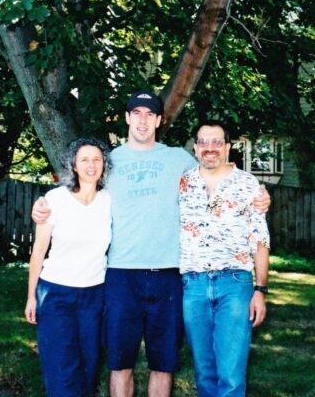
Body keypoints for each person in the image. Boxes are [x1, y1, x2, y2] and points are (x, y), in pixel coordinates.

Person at [32, 91, 271, 397]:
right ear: (128, 118)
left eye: (150, 114)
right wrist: (42, 206)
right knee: (120, 363)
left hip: (169, 273)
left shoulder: (179, 159)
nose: (143, 120)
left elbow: (215, 176)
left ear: (159, 120)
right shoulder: (110, 161)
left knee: (164, 363)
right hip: (120, 274)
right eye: (137, 113)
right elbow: (77, 189)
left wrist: (259, 196)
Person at [179, 121, 270, 397]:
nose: (210, 148)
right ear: (195, 147)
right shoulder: (183, 183)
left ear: (228, 147)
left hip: (234, 284)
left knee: (230, 376)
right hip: (192, 285)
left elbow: (260, 239)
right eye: (203, 142)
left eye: (217, 142)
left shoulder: (247, 184)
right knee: (204, 372)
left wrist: (260, 290)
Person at [25, 138, 112, 397]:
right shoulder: (55, 199)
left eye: (97, 159)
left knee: (88, 369)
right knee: (62, 371)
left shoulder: (109, 200)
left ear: (104, 165)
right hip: (56, 295)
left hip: (94, 296)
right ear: (73, 165)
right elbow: (38, 251)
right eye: (84, 159)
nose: (91, 165)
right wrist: (31, 297)